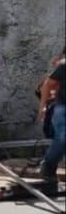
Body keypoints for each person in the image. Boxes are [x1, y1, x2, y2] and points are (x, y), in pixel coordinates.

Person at [38, 46, 66, 193]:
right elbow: (46, 85)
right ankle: (48, 166)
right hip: (62, 108)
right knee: (62, 138)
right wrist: (42, 107)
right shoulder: (63, 65)